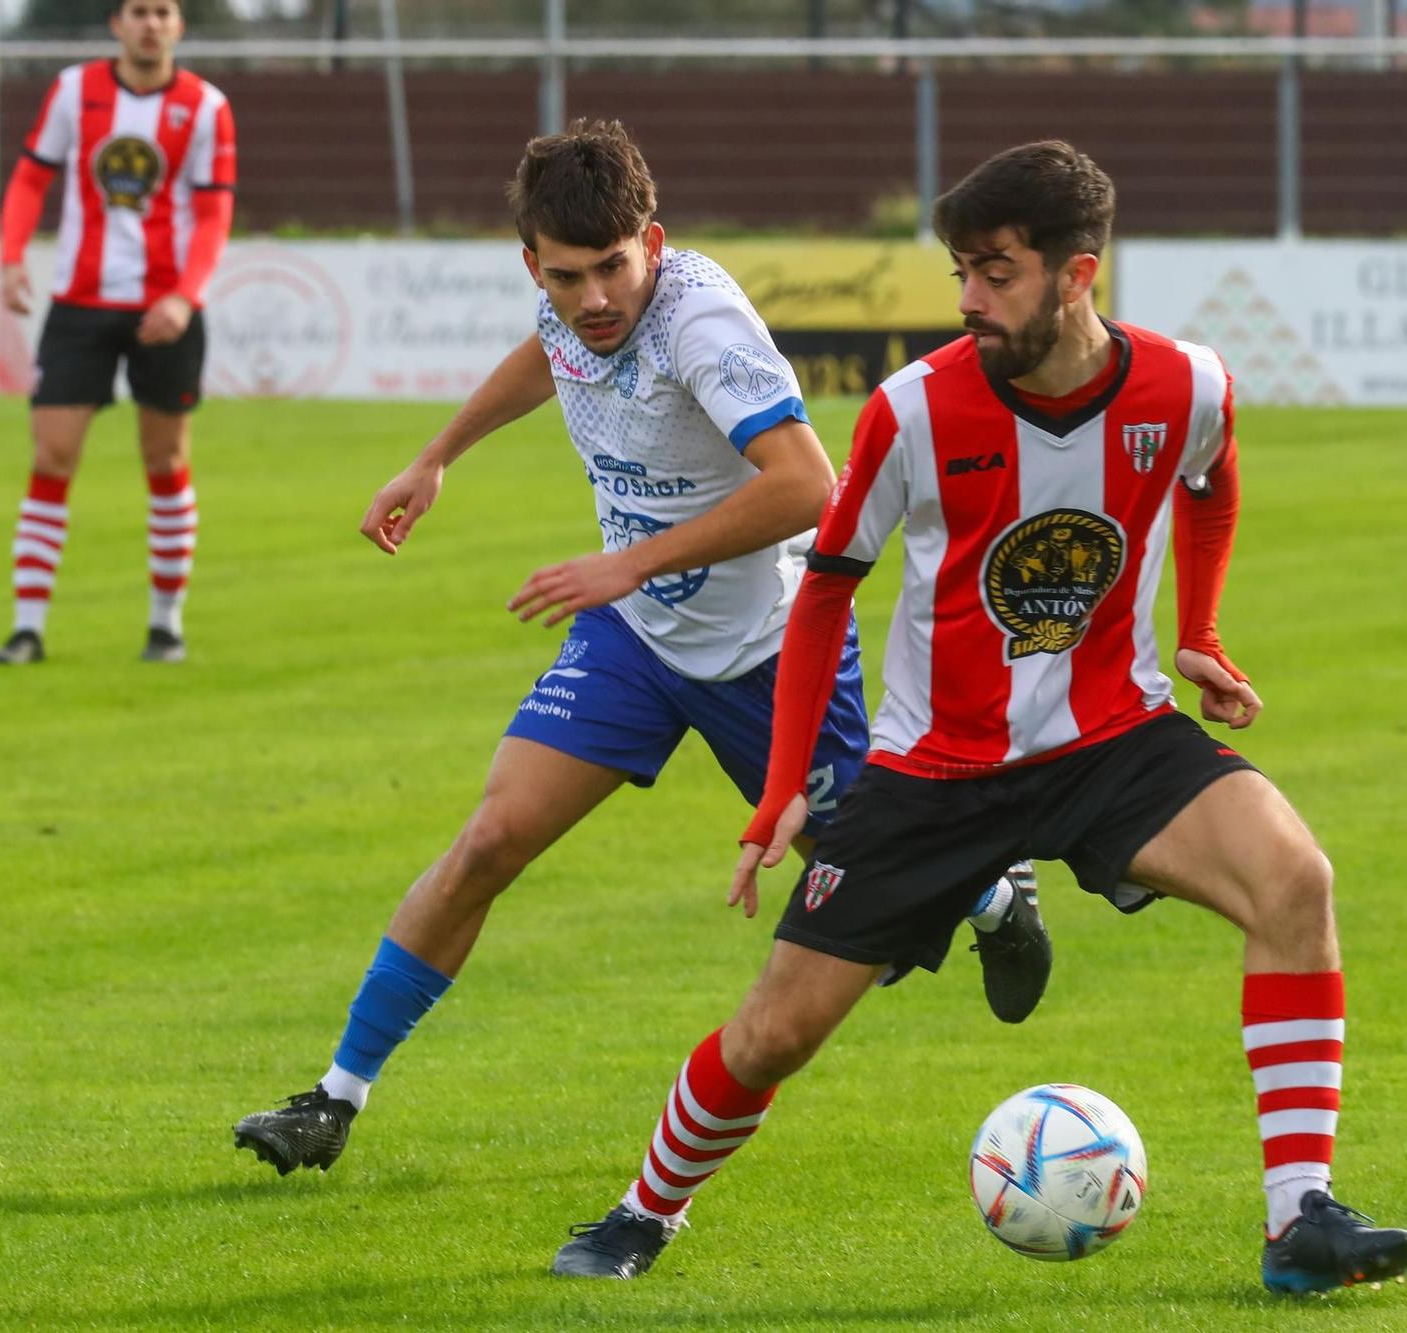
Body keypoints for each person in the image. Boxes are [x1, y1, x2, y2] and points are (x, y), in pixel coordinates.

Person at [550, 141, 1407, 1296]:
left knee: (1293, 878)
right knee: (773, 1035)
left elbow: (1210, 483)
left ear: (1077, 275)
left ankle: (1296, 1217)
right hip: (935, 770)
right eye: (960, 269)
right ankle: (642, 1210)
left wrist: (1199, 631)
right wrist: (775, 796)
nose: (967, 297)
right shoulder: (913, 409)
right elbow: (824, 586)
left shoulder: (1186, 384)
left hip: (1115, 739)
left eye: (995, 272)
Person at [230, 121, 1052, 1177]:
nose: (595, 298)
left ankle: (991, 890)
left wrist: (628, 560)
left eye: (614, 267)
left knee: (866, 878)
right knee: (488, 841)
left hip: (769, 648)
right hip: (633, 641)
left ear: (650, 242)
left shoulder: (698, 325)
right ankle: (333, 1098)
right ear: (535, 263)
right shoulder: (568, 303)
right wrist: (436, 456)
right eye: (567, 276)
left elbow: (811, 485)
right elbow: (547, 352)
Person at [0, 0, 235, 665]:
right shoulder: (74, 89)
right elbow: (30, 176)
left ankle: (166, 626)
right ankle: (27, 628)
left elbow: (214, 214)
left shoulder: (206, 106)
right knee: (51, 455)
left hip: (166, 312)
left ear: (178, 25)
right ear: (116, 24)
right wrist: (11, 256)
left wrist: (185, 298)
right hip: (81, 303)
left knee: (164, 460)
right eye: (137, 11)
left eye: (162, 11)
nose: (150, 23)